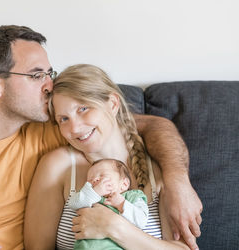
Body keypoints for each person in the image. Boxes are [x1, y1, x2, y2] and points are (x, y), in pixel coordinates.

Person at [0, 25, 201, 250]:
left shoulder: (59, 132)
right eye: (37, 75)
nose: (49, 85)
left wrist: (177, 181)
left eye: (49, 73)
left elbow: (149, 125)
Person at [24, 64, 201, 249]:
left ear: (113, 104)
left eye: (83, 109)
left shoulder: (159, 166)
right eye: (64, 119)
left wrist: (114, 227)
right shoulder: (58, 166)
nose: (74, 128)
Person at [68, 158, 149, 250]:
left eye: (102, 175)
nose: (95, 180)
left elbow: (141, 220)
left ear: (124, 184)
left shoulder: (132, 197)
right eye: (90, 180)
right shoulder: (90, 197)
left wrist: (122, 204)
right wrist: (94, 192)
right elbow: (73, 204)